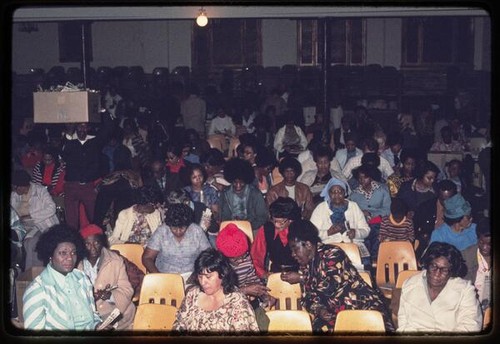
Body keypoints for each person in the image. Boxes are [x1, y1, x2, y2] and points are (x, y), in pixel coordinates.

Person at [281, 219, 394, 333]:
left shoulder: (332, 253)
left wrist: (301, 278)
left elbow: (329, 285)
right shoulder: (305, 266)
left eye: (295, 248)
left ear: (309, 245)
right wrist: (320, 310)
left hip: (361, 309)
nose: (293, 254)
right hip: (335, 315)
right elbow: (307, 298)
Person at [22, 224, 103, 330]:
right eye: (63, 253)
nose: (70, 258)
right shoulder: (38, 290)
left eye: (73, 252)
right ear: (51, 255)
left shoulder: (82, 278)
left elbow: (93, 316)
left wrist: (97, 326)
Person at [397, 241, 482, 333]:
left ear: (452, 272)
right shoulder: (410, 285)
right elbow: (403, 323)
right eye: (433, 266)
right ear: (427, 264)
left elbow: (471, 326)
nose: (437, 273)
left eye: (444, 270)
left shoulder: (465, 290)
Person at [172, 248, 259, 333]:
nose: (203, 282)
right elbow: (179, 325)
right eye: (200, 276)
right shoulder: (192, 295)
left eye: (208, 277)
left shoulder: (237, 302)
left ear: (223, 274)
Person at [61, 112, 116, 231]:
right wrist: (69, 134)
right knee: (71, 221)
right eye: (79, 126)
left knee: (95, 218)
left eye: (84, 126)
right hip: (71, 186)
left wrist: (102, 111)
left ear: (88, 128)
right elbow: (63, 154)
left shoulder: (95, 142)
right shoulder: (68, 140)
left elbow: (110, 128)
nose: (82, 129)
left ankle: (97, 242)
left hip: (88, 187)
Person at [77, 224, 136, 330]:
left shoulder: (115, 261)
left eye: (96, 243)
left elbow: (127, 290)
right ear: (82, 245)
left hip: (112, 310)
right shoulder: (75, 264)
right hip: (86, 314)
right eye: (87, 244)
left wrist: (110, 296)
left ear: (102, 242)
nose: (93, 248)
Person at [215, 223, 272, 331]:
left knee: (263, 323)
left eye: (244, 255)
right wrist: (244, 290)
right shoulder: (216, 267)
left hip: (247, 303)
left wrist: (263, 294)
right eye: (235, 259)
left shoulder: (245, 259)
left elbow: (252, 278)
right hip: (225, 308)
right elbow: (218, 294)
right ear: (223, 257)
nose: (241, 261)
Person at [310, 177, 370, 268]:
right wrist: (328, 233)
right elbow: (311, 234)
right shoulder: (321, 208)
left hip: (353, 245)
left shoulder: (353, 206)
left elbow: (366, 230)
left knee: (365, 264)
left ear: (345, 193)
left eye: (340, 192)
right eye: (333, 192)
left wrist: (356, 232)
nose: (336, 195)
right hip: (330, 247)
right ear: (329, 194)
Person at [142, 203, 211, 282]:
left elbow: (207, 256)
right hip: (165, 275)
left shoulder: (196, 231)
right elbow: (147, 258)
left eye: (182, 228)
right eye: (174, 228)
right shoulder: (162, 231)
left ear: (188, 224)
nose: (178, 232)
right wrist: (158, 277)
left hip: (191, 275)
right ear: (169, 225)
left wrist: (196, 274)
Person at [11, 169, 60, 271]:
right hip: (24, 227)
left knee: (33, 243)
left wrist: (30, 216)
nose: (15, 189)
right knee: (28, 243)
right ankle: (30, 274)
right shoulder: (14, 195)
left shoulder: (40, 190)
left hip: (43, 225)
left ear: (24, 185)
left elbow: (51, 208)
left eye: (17, 187)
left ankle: (34, 274)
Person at [349, 164, 391, 262]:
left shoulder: (382, 189)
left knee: (377, 234)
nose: (362, 180)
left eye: (365, 177)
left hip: (379, 221)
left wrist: (371, 214)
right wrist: (361, 213)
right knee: (363, 237)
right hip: (362, 223)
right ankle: (366, 262)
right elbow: (351, 211)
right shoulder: (354, 194)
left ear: (371, 177)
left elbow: (387, 210)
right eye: (359, 178)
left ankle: (376, 261)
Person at [250, 197, 301, 279]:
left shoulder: (301, 229)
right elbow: (255, 256)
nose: (276, 225)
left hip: (299, 272)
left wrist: (302, 276)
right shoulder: (266, 229)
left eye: (281, 222)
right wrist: (263, 274)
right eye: (274, 221)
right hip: (275, 273)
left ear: (291, 220)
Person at [219, 158, 268, 235]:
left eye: (241, 182)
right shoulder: (225, 193)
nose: (238, 186)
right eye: (235, 182)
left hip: (252, 228)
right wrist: (233, 225)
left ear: (246, 180)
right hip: (231, 229)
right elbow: (223, 216)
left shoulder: (255, 193)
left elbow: (262, 217)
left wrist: (246, 226)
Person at [412, 179, 457, 260]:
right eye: (443, 199)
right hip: (430, 244)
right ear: (438, 195)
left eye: (450, 199)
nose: (447, 202)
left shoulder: (459, 209)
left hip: (452, 244)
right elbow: (415, 228)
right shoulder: (425, 207)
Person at [462, 217, 491, 312]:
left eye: (489, 244)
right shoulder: (466, 256)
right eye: (481, 242)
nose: (484, 247)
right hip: (471, 308)